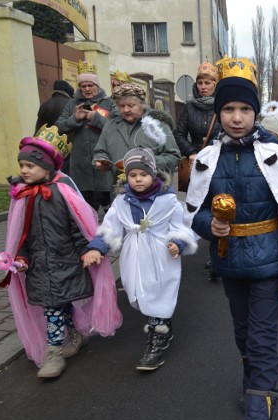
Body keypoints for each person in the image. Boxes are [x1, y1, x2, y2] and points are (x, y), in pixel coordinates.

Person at [185, 57, 278, 420]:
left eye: (244, 109)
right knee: (243, 334)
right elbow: (194, 212)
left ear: (255, 112)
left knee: (262, 337)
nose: (236, 117)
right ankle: (253, 382)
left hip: (268, 266)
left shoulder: (274, 156)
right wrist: (211, 226)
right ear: (218, 112)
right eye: (228, 109)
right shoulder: (208, 158)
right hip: (229, 265)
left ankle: (260, 404)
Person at [0, 126, 121, 378]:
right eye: (21, 165)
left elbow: (77, 225)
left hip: (65, 261)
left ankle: (59, 346)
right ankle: (64, 342)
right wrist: (20, 257)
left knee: (58, 304)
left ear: (46, 168)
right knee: (55, 305)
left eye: (30, 166)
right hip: (40, 266)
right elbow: (20, 233)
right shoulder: (22, 195)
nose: (23, 170)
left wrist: (88, 250)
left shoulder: (61, 192)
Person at [84, 148, 196, 370]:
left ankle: (157, 339)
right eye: (133, 175)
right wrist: (97, 247)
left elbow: (180, 225)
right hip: (134, 255)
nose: (138, 179)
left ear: (152, 174)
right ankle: (161, 324)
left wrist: (179, 243)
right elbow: (111, 227)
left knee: (160, 292)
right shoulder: (122, 201)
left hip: (162, 254)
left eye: (143, 175)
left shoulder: (168, 201)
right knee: (141, 294)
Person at [57, 67, 117, 211]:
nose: (87, 89)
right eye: (83, 86)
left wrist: (95, 118)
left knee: (110, 207)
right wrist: (75, 118)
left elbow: (116, 128)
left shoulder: (108, 103)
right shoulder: (72, 104)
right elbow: (59, 126)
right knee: (85, 209)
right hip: (80, 166)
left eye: (91, 85)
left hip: (104, 163)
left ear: (97, 86)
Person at [93, 83, 181, 177]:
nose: (126, 110)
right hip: (120, 188)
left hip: (154, 187)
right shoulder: (111, 125)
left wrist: (150, 162)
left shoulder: (157, 124)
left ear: (142, 105)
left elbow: (173, 156)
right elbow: (100, 152)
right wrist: (100, 161)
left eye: (131, 105)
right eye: (122, 106)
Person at [173, 61, 221, 164]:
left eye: (207, 83)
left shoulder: (222, 106)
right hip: (195, 160)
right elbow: (179, 134)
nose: (203, 87)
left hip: (218, 160)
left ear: (215, 85)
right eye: (200, 83)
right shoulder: (189, 107)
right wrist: (191, 152)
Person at [36, 80, 75, 174]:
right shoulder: (71, 104)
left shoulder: (45, 104)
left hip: (47, 146)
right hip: (65, 146)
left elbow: (39, 128)